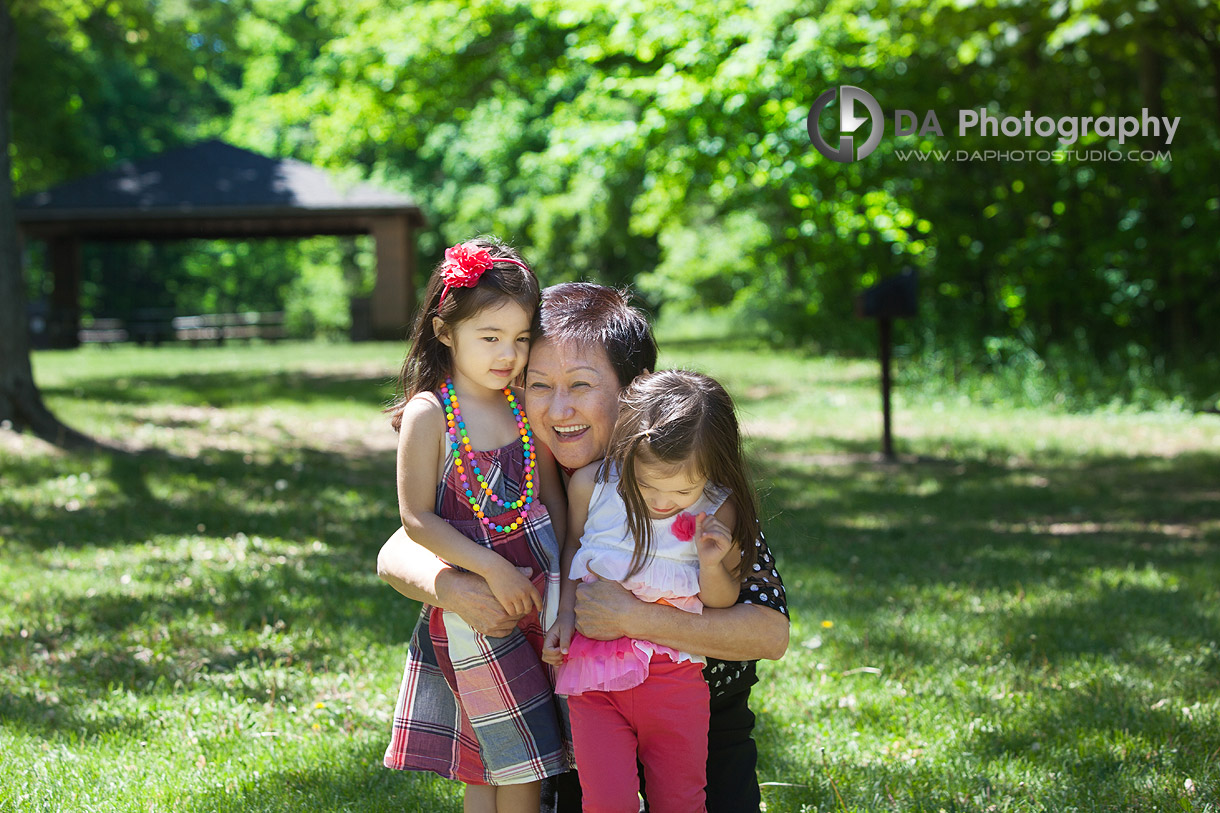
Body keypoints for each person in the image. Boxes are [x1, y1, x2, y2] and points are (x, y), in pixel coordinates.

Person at [378, 283, 790, 813]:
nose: (558, 407)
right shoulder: (530, 475)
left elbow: (770, 632)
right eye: (538, 384)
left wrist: (635, 617)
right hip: (580, 740)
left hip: (702, 736)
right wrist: (455, 585)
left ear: (637, 390)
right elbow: (399, 545)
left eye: (580, 384)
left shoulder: (683, 482)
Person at [381, 238, 572, 813]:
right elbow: (416, 518)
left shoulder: (523, 404)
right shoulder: (430, 414)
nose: (507, 354)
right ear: (445, 333)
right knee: (505, 762)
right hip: (476, 611)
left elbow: (554, 502)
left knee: (517, 754)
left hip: (538, 599)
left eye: (519, 339)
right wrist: (490, 568)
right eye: (489, 338)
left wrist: (562, 586)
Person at [543, 369, 763, 812]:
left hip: (675, 683)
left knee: (680, 800)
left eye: (682, 489)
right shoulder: (593, 486)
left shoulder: (718, 507)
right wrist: (563, 616)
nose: (663, 502)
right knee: (606, 802)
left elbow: (721, 602)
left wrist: (711, 563)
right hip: (595, 676)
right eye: (646, 485)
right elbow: (573, 548)